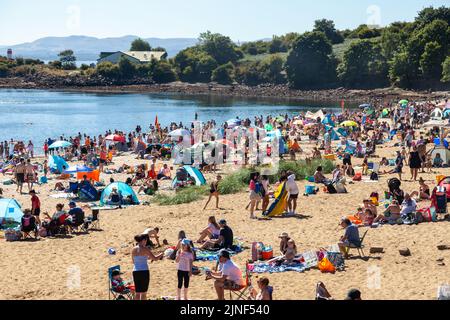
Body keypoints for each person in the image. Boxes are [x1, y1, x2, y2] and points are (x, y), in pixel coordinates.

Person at [131, 234, 164, 300]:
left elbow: (134, 261)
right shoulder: (145, 249)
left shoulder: (133, 249)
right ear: (143, 240)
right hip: (144, 272)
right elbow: (155, 258)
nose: (146, 242)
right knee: (143, 293)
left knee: (137, 293)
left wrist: (145, 258)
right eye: (146, 240)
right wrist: (162, 254)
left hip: (135, 271)